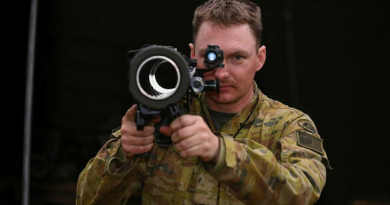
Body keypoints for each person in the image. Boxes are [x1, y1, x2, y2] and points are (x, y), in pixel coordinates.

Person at [76, 0, 331, 204]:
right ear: (191, 54)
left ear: (260, 58)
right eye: (210, 57)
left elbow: (300, 192)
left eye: (238, 57)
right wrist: (124, 152)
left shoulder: (288, 125)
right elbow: (87, 199)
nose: (221, 73)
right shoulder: (164, 114)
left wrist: (219, 151)